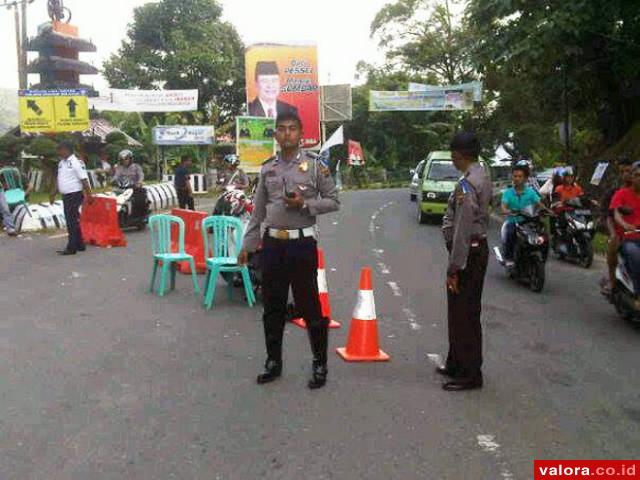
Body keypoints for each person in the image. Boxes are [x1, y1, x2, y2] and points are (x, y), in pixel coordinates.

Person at [237, 111, 339, 390]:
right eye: (281, 129)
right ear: (275, 135)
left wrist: (305, 205)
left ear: (301, 132)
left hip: (301, 244)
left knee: (310, 307)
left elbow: (333, 200)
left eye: (292, 129)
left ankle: (320, 364)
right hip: (272, 245)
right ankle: (273, 362)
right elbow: (257, 212)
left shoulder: (316, 166)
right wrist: (247, 246)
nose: (286, 134)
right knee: (273, 306)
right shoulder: (268, 168)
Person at [439, 131, 492, 391]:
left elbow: (462, 228)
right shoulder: (481, 174)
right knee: (459, 311)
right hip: (474, 250)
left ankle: (470, 373)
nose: (452, 158)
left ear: (459, 155)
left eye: (452, 154)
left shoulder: (467, 185)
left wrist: (454, 267)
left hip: (468, 254)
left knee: (465, 314)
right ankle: (456, 362)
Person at [49, 141, 93, 255]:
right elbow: (60, 179)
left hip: (74, 194)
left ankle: (71, 247)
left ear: (67, 150)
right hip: (66, 195)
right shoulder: (61, 163)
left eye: (60, 150)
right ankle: (80, 244)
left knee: (71, 221)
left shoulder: (76, 163)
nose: (59, 152)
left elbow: (84, 179)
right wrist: (53, 193)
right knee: (73, 219)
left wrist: (89, 195)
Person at [602, 158, 633, 295]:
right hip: (621, 233)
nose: (625, 175)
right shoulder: (615, 193)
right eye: (622, 172)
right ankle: (612, 280)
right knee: (612, 246)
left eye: (628, 171)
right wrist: (613, 234)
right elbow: (609, 215)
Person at [610, 162, 640, 294]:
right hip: (628, 239)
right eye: (637, 175)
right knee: (635, 255)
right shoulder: (621, 194)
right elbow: (616, 213)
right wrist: (624, 224)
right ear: (632, 177)